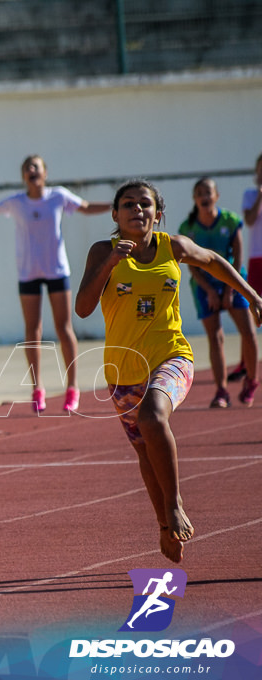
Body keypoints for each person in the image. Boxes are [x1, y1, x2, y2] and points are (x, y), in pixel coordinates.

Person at [75, 179, 262, 563]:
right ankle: (164, 525)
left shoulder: (171, 246)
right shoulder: (102, 251)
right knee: (145, 450)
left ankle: (175, 505)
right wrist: (111, 262)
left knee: (153, 417)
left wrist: (253, 295)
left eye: (145, 204)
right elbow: (82, 308)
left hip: (172, 355)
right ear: (115, 215)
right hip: (123, 370)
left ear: (158, 214)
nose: (136, 210)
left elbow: (213, 261)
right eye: (128, 204)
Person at [0, 155, 111, 413]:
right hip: (28, 272)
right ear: (23, 176)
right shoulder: (17, 203)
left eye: (35, 167)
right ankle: (37, 388)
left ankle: (72, 388)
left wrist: (116, 206)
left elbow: (85, 207)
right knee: (33, 331)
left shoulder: (58, 197)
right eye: (27, 168)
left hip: (56, 271)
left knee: (64, 328)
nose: (31, 171)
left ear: (45, 173)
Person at [177, 177, 259, 407]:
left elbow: (238, 255)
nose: (204, 197)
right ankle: (221, 391)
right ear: (194, 199)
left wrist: (230, 290)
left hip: (233, 283)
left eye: (208, 192)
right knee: (216, 337)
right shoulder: (188, 228)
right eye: (199, 193)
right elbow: (192, 265)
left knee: (249, 332)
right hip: (204, 286)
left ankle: (251, 380)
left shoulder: (231, 221)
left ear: (216, 196)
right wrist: (211, 291)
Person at [230, 153, 262, 382]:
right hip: (257, 257)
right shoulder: (251, 194)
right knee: (252, 310)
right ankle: (244, 361)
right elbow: (249, 220)